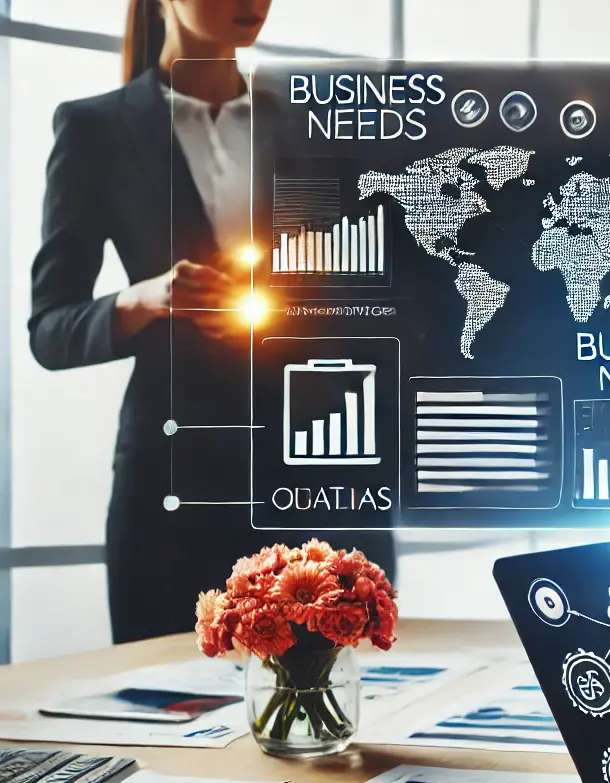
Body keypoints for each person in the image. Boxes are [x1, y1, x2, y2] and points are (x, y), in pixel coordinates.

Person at [29, 0, 395, 644]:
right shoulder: (95, 130)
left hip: (318, 458)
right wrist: (145, 298)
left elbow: (377, 298)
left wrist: (282, 311)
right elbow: (50, 329)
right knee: (170, 707)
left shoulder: (319, 123)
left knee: (338, 712)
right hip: (175, 479)